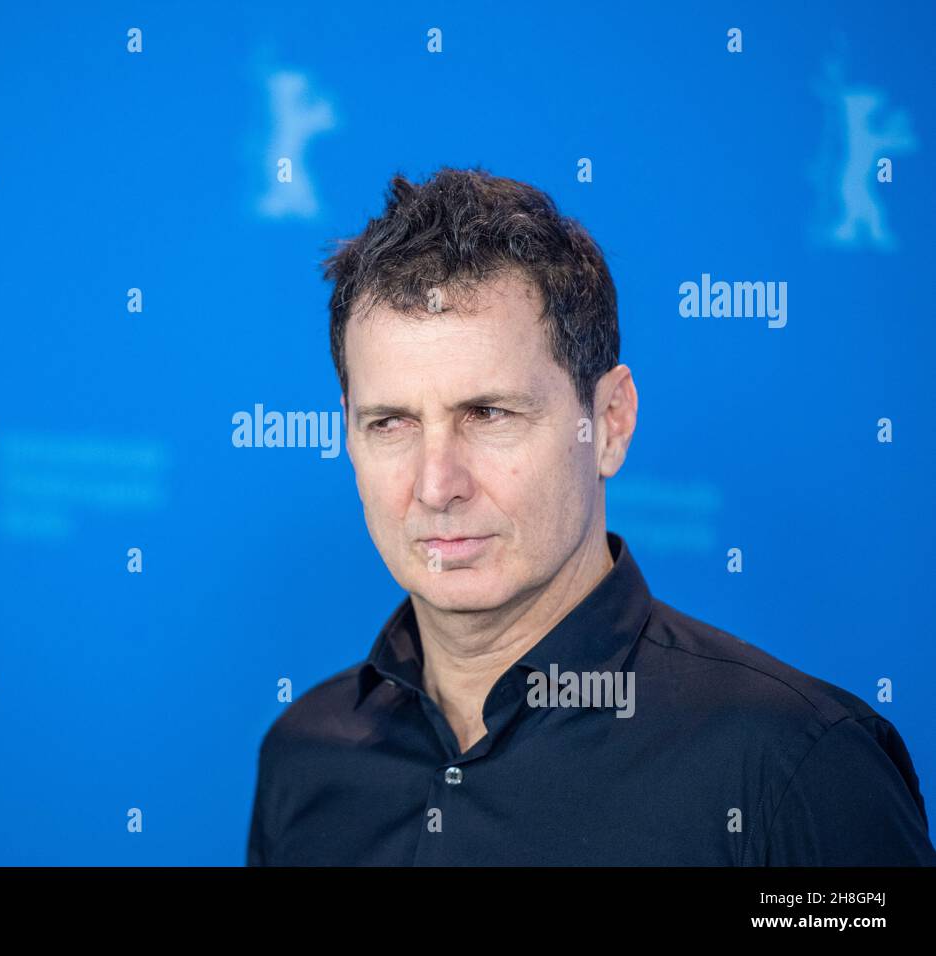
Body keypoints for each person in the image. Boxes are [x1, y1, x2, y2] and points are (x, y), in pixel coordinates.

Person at [246, 167, 936, 865]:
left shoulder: (795, 769)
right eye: (390, 422)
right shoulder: (304, 757)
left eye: (488, 414)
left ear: (609, 423)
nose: (436, 485)